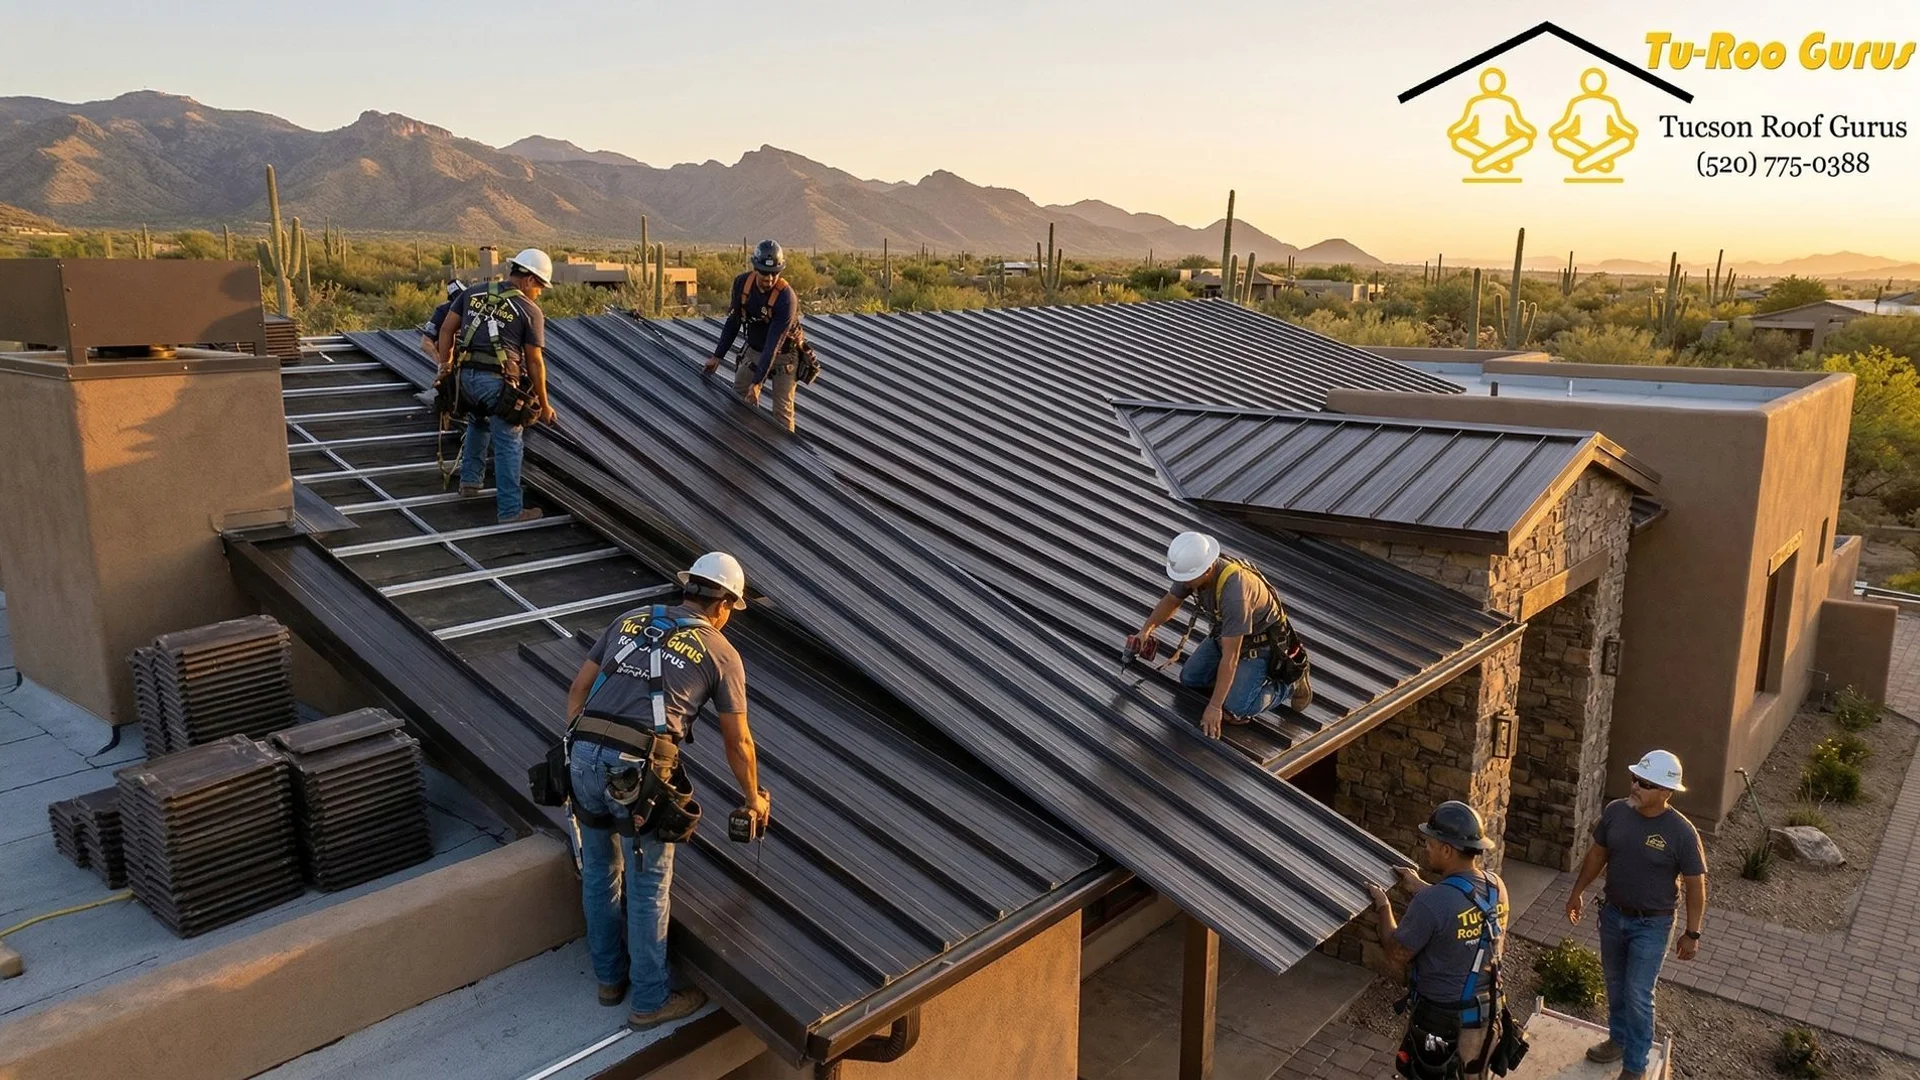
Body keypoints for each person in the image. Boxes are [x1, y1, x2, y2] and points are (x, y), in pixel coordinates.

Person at [561, 552, 772, 1031]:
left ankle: (609, 981)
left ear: (688, 588)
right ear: (724, 606)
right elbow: (738, 742)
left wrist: (584, 751)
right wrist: (753, 797)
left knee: (599, 872)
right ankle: (650, 1001)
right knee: (647, 886)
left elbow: (577, 691)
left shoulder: (629, 620)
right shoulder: (720, 652)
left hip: (582, 756)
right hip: (637, 771)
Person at [1565, 749, 1707, 1080]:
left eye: (1644, 783)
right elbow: (1597, 855)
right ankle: (1618, 1040)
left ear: (1666, 792)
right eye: (1634, 779)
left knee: (1638, 993)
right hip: (1613, 915)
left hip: (1652, 924)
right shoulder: (1616, 812)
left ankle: (1635, 1066)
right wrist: (1577, 891)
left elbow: (1695, 885)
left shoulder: (1682, 832)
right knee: (1616, 985)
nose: (1634, 787)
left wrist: (1692, 933)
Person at [1368, 801, 1517, 1078]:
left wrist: (1383, 906)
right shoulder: (1496, 887)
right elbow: (1460, 907)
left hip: (1443, 1024)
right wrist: (1418, 885)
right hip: (1486, 1018)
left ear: (1447, 850)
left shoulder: (1431, 902)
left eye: (1430, 842)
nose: (1426, 848)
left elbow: (1396, 953)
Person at [1127, 531, 1312, 737]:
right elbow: (1171, 600)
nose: (1184, 584)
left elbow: (1231, 656)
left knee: (1235, 709)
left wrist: (1215, 706)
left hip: (1258, 645)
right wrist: (1145, 631)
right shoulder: (1192, 570)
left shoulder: (1235, 593)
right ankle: (1233, 685)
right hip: (1224, 634)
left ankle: (1291, 684)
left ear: (1207, 569)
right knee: (1190, 679)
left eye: (1187, 579)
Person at [434, 249, 555, 523]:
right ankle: (511, 511)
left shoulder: (472, 292)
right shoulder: (529, 310)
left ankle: (469, 482)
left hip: (464, 380)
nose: (539, 293)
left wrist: (445, 367)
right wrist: (545, 405)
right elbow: (534, 362)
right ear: (529, 279)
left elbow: (446, 330)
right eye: (539, 287)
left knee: (478, 422)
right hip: (497, 383)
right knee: (509, 442)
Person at [703, 239, 806, 433]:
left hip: (784, 356)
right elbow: (734, 322)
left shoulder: (786, 298)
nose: (769, 279)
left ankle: (785, 451)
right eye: (764, 273)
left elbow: (773, 345)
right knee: (739, 399)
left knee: (782, 413)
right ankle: (741, 442)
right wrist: (717, 356)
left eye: (774, 273)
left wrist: (757, 383)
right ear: (755, 268)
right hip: (755, 349)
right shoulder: (742, 284)